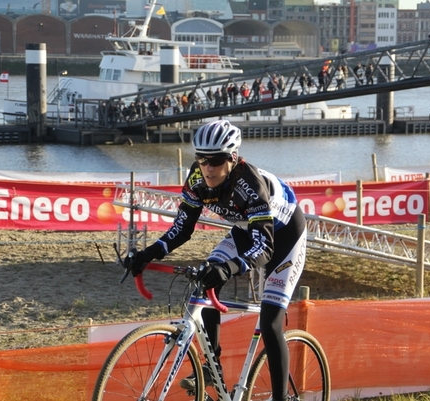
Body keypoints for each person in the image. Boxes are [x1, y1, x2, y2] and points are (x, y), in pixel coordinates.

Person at [127, 120, 307, 401]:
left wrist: (229, 268)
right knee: (204, 278)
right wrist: (149, 253)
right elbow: (182, 228)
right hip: (248, 229)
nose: (207, 167)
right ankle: (213, 370)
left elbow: (265, 248)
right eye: (201, 158)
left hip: (283, 237)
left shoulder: (250, 185)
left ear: (232, 158)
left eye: (216, 160)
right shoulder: (197, 178)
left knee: (271, 321)